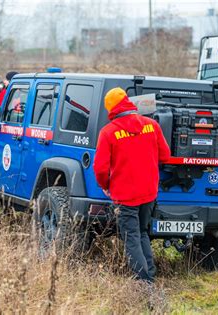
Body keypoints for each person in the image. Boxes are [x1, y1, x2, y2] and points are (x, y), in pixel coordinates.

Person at [93, 87, 170, 283]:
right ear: (128, 102)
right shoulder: (152, 125)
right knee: (142, 232)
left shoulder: (108, 132)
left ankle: (143, 282)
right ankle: (149, 276)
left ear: (110, 108)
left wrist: (106, 185)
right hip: (149, 193)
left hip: (125, 196)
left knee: (131, 237)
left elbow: (100, 168)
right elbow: (165, 156)